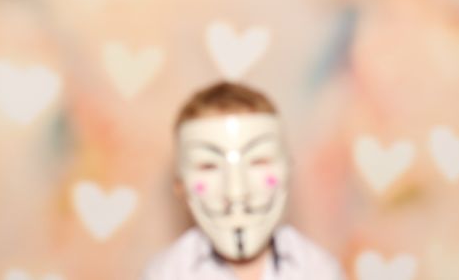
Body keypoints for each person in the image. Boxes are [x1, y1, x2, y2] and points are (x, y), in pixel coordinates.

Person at [139, 81, 346, 280]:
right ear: (180, 186)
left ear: (287, 171)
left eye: (258, 161)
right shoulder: (166, 273)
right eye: (208, 166)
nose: (236, 192)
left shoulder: (317, 270)